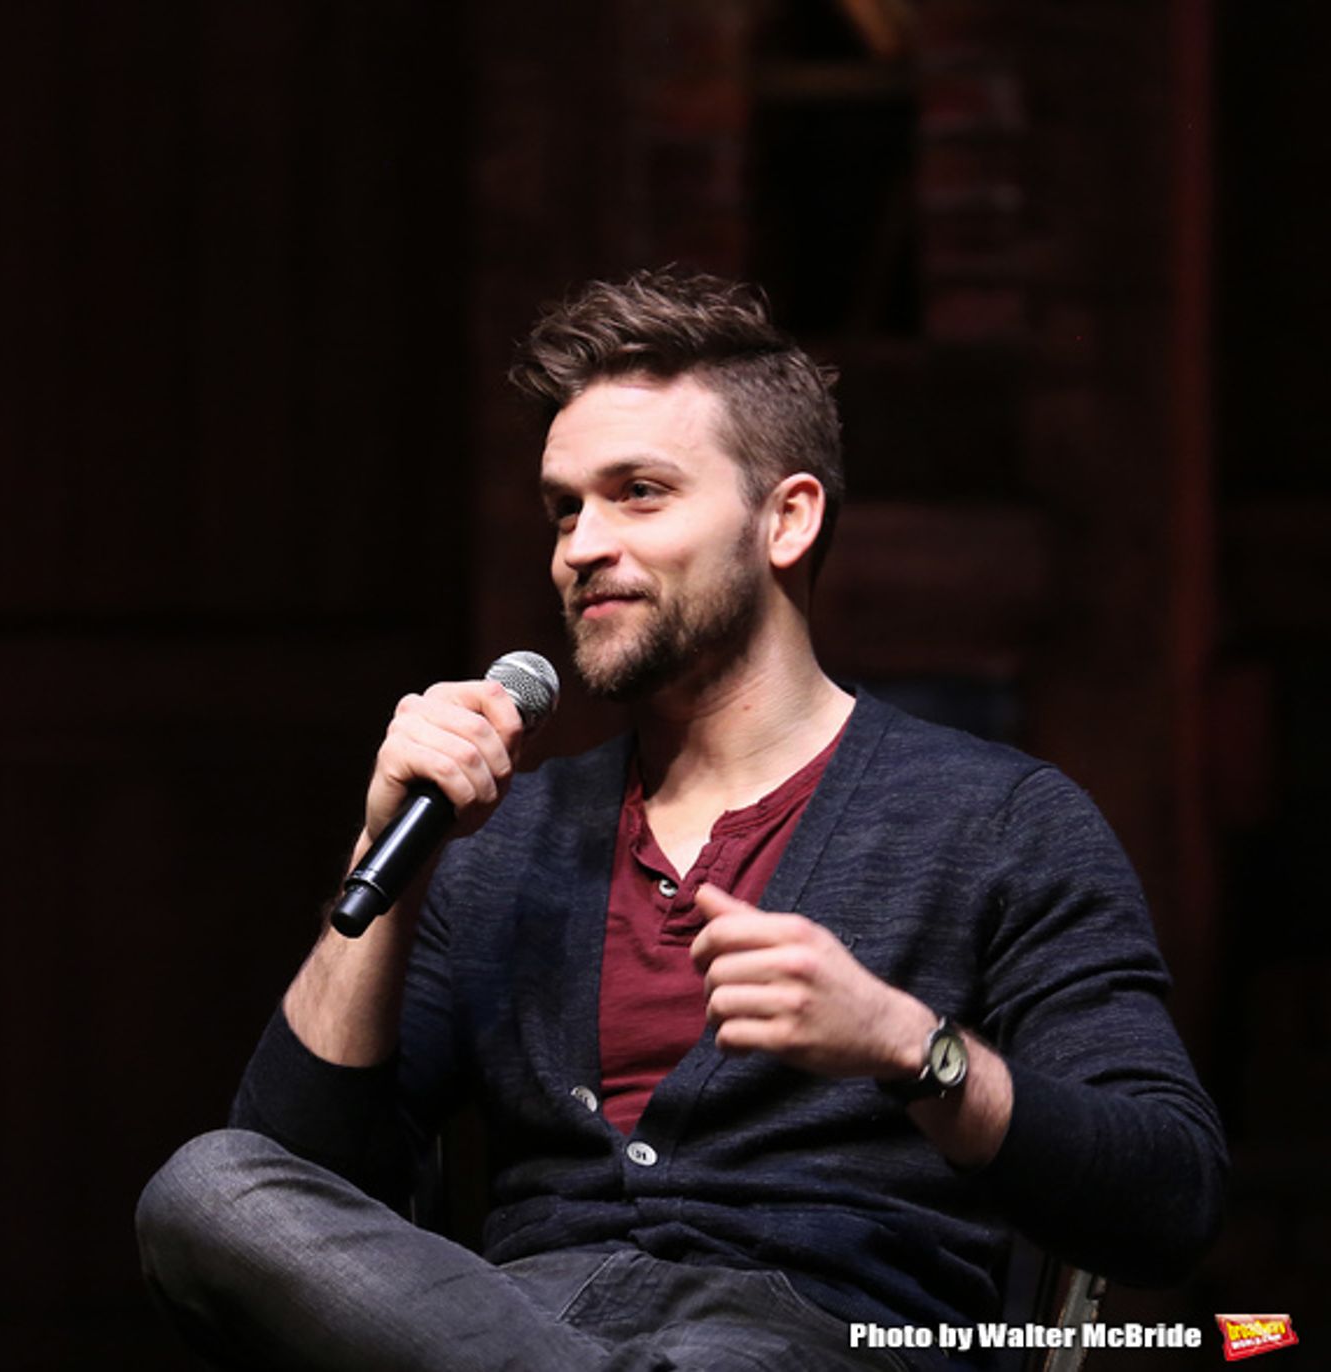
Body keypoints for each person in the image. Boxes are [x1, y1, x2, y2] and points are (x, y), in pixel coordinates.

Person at [136, 270, 1226, 1372]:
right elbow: (304, 1186)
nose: (579, 545)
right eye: (566, 507)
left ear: (785, 519)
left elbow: (1166, 1195)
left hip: (808, 1341)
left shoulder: (999, 821)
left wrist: (912, 1047)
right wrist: (390, 858)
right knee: (209, 1184)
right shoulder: (507, 841)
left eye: (639, 492)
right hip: (524, 1327)